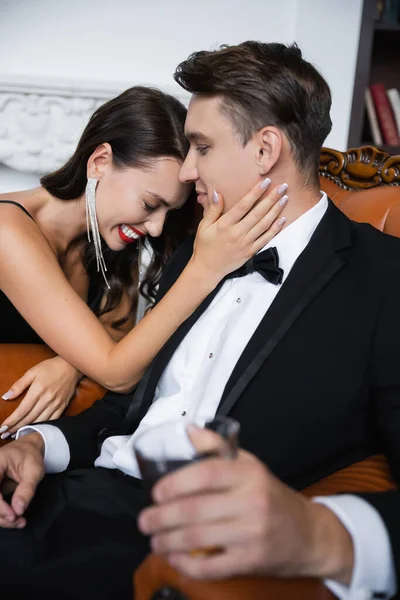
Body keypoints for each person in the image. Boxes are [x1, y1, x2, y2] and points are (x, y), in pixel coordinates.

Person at [0, 40, 399, 600]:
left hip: (175, 540)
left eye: (200, 147)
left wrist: (326, 535)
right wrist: (40, 444)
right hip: (72, 489)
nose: (187, 171)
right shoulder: (197, 252)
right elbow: (133, 402)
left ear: (265, 150)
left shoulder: (382, 277)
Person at [0, 85, 285, 437]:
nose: (155, 227)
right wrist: (205, 268)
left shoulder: (110, 238)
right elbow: (117, 371)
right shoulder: (7, 231)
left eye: (169, 211)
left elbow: (118, 337)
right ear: (100, 162)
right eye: (151, 204)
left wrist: (69, 365)